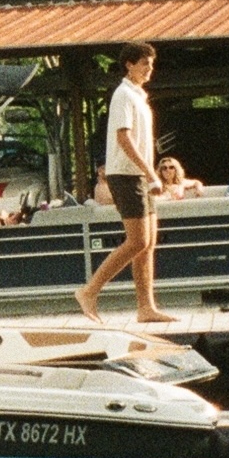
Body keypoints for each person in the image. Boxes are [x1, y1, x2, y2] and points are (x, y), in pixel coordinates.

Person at [75, 41, 173, 324]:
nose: (149, 69)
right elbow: (123, 138)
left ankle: (146, 308)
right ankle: (89, 291)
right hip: (126, 174)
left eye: (151, 64)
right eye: (144, 63)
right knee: (137, 241)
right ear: (129, 64)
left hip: (139, 174)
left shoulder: (138, 95)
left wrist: (148, 173)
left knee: (149, 243)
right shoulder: (122, 95)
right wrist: (151, 172)